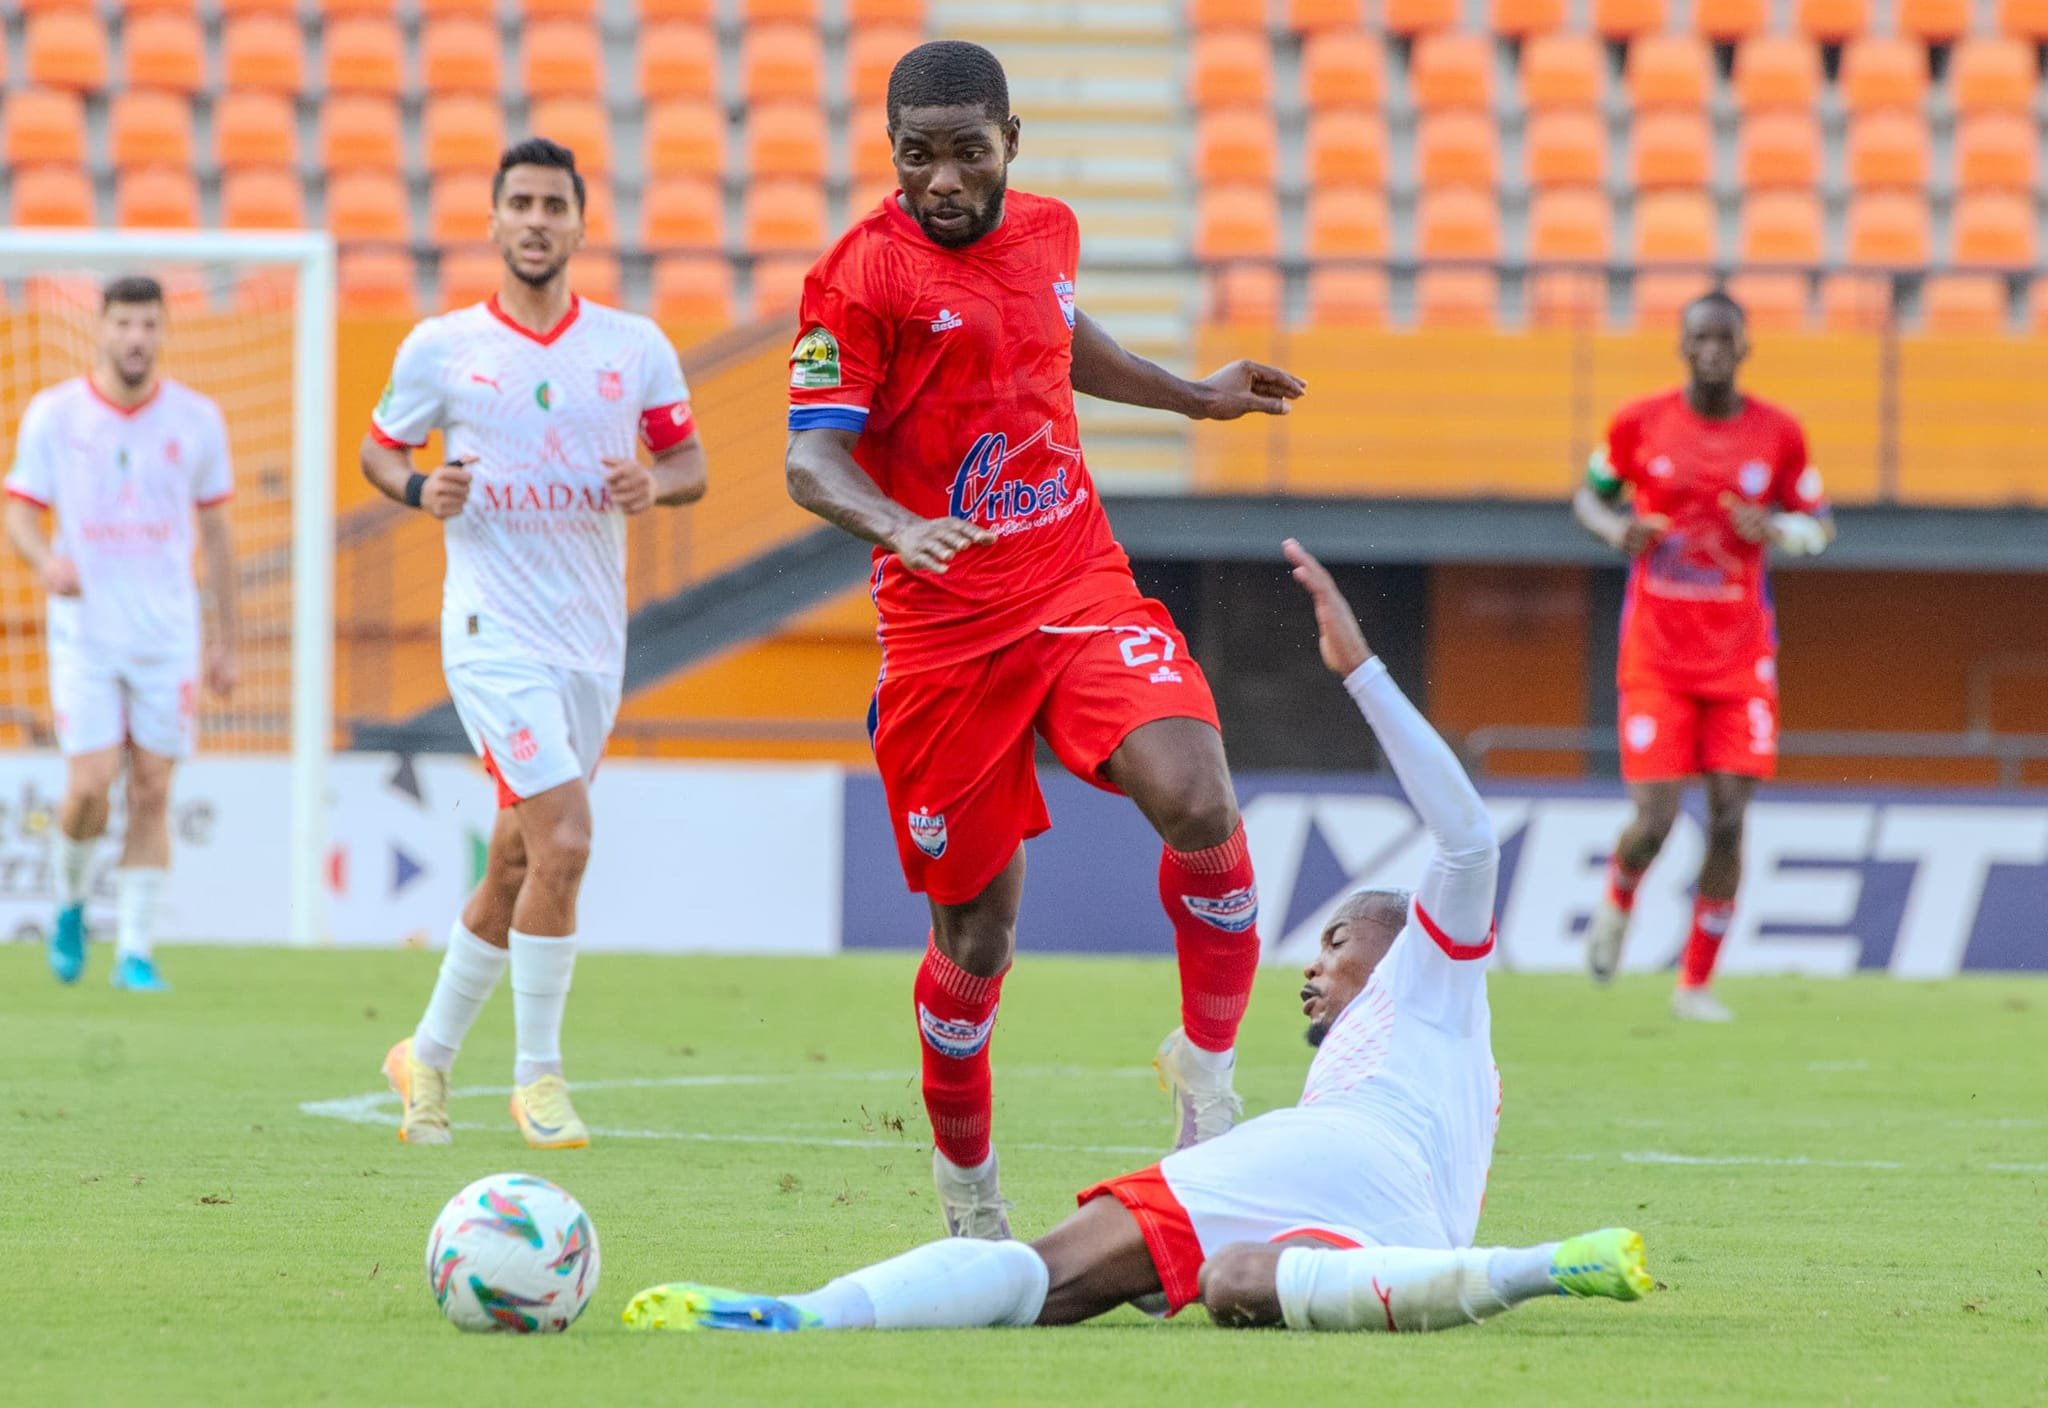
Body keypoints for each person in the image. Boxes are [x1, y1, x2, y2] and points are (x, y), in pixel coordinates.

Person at [619, 540, 1652, 1335]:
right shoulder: (1437, 1066)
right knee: (1230, 1284)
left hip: (1325, 1163)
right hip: (1412, 1242)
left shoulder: (1430, 980)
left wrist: (1361, 670)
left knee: (1041, 1271)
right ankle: (1536, 1268)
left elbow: (1467, 839)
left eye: (1333, 939)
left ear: (1394, 941)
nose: (1311, 968)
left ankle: (807, 1313)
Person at [785, 39, 1308, 1235]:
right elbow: (811, 456)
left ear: (1010, 145)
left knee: (1199, 800)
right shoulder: (857, 278)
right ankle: (969, 1188)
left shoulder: (1051, 232)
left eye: (967, 153)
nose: (944, 181)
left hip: (1073, 578)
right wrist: (895, 522)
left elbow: (1054, 339)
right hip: (940, 635)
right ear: (893, 156)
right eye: (919, 157)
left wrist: (1193, 394)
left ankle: (1207, 1082)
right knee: (976, 935)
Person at [361, 138, 708, 1149]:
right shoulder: (442, 346)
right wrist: (423, 488)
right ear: (493, 219)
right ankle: (539, 1077)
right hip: (489, 631)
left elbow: (686, 461)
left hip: (588, 642)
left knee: (516, 862)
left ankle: (422, 1057)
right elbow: (383, 449)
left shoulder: (632, 346)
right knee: (566, 840)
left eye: (553, 203)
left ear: (579, 224)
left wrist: (657, 485)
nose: (536, 219)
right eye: (519, 201)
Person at [1572, 291, 1833, 1021]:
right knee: (1654, 821)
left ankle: (1694, 983)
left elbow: (1820, 527)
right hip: (1656, 655)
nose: (1713, 350)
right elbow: (1589, 498)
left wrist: (1777, 528)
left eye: (1726, 339)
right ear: (1683, 346)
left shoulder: (1779, 434)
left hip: (1741, 660)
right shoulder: (1639, 423)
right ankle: (1619, 898)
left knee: (1727, 819)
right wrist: (1612, 530)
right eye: (1701, 338)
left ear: (1744, 348)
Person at [4, 274, 240, 993]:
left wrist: (225, 638)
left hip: (169, 632)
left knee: (152, 788)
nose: (136, 339)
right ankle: (72, 904)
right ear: (100, 328)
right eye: (124, 324)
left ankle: (135, 949)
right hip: (88, 631)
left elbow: (219, 532)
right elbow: (19, 511)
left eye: (148, 325)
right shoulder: (56, 415)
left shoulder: (197, 420)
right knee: (89, 785)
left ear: (163, 331)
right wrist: (47, 561)